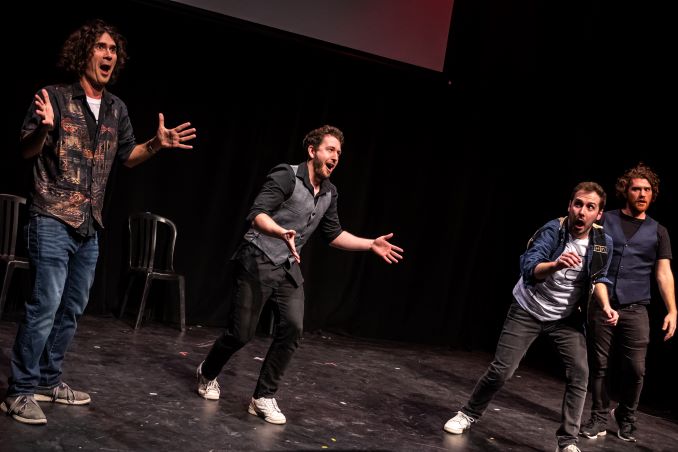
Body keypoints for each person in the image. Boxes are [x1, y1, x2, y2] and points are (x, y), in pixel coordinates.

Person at [1, 19, 196, 425]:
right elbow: (26, 150)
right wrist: (44, 129)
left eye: (114, 50)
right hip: (52, 216)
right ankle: (19, 390)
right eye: (102, 48)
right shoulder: (52, 97)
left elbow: (128, 156)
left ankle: (49, 380)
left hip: (90, 225)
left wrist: (157, 145)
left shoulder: (116, 109)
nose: (109, 55)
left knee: (72, 307)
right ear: (84, 52)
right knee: (45, 305)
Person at [195, 125, 403, 424]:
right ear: (312, 151)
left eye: (339, 153)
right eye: (330, 149)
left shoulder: (330, 193)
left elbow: (333, 234)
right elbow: (257, 214)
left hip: (287, 267)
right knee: (241, 333)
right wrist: (281, 232)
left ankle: (263, 396)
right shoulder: (287, 175)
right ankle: (207, 372)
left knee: (293, 328)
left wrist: (370, 244)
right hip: (258, 257)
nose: (336, 157)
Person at [443, 182, 616, 452]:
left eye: (590, 207)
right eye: (578, 204)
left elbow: (600, 278)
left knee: (580, 373)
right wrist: (557, 264)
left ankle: (567, 441)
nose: (582, 212)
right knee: (503, 370)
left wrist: (605, 306)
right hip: (528, 308)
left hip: (565, 318)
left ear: (599, 214)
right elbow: (529, 267)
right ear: (570, 206)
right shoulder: (553, 230)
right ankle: (468, 413)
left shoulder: (604, 243)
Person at [580, 163, 676, 443]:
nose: (642, 194)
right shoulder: (604, 220)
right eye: (636, 189)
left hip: (636, 307)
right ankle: (598, 416)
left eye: (647, 189)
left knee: (635, 368)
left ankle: (626, 415)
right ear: (626, 191)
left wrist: (673, 309)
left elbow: (663, 273)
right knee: (598, 364)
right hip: (602, 303)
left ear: (653, 194)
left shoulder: (659, 231)